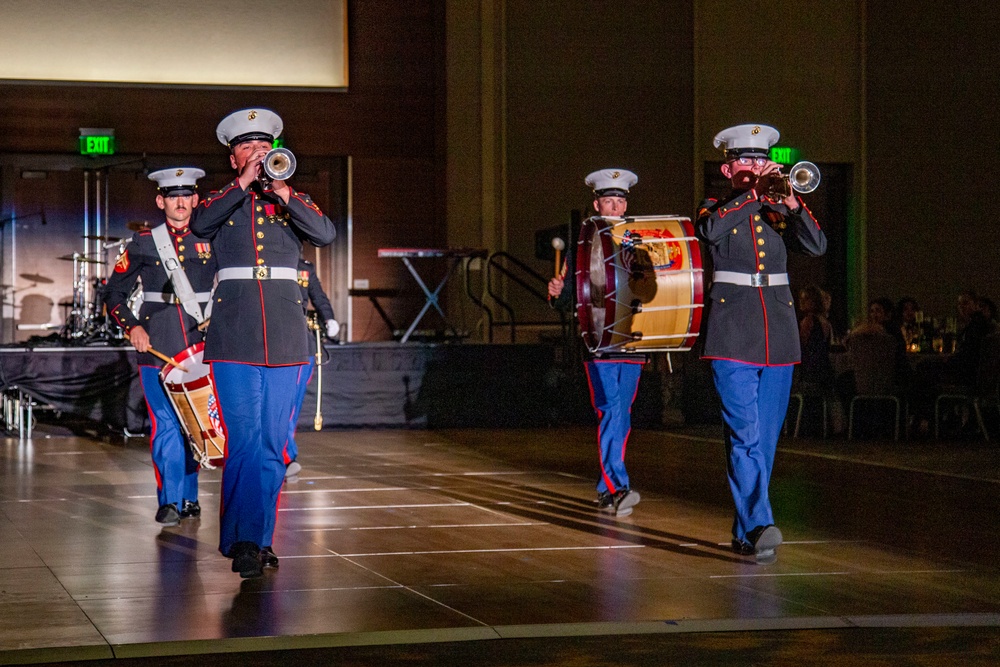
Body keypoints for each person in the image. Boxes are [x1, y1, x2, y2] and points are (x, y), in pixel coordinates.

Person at [191, 108, 336, 578]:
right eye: (247, 148)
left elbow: (326, 234)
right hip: (234, 337)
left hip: (287, 338)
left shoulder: (291, 200)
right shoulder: (222, 199)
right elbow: (199, 225)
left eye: (264, 147)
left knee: (273, 444)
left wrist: (284, 192)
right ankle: (246, 540)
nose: (257, 153)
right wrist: (241, 187)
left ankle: (256, 538)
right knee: (245, 442)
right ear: (234, 158)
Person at [696, 124, 827, 564]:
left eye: (761, 159)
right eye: (747, 160)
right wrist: (754, 194)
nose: (756, 167)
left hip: (779, 334)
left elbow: (817, 244)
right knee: (744, 434)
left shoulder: (777, 209)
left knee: (766, 440)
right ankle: (758, 523)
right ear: (728, 166)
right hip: (732, 333)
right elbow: (711, 232)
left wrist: (791, 200)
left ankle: (746, 530)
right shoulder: (715, 205)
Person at [104, 167, 217, 526]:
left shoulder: (213, 235)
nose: (180, 202)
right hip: (156, 343)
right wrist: (132, 326)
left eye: (186, 195)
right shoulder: (143, 242)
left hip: (203, 343)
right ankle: (169, 501)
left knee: (196, 423)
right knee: (166, 424)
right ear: (160, 200)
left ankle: (190, 497)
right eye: (172, 196)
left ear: (196, 199)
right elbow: (114, 294)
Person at [548, 169, 643, 518]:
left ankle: (605, 490)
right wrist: (558, 295)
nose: (616, 206)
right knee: (610, 410)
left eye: (620, 200)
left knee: (623, 416)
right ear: (596, 203)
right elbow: (573, 298)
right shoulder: (584, 245)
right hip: (599, 339)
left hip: (632, 340)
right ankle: (618, 487)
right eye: (609, 200)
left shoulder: (638, 239)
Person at [283, 258, 339, 479]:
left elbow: (319, 297)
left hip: (300, 342)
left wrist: (330, 318)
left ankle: (286, 456)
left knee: (291, 406)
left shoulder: (304, 268)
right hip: (270, 339)